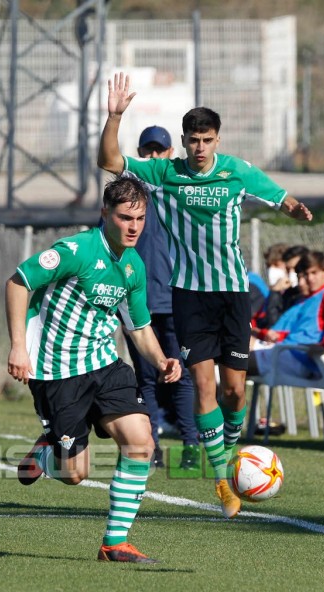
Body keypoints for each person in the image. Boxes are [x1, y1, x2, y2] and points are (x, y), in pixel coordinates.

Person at [98, 72, 313, 519]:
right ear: (183, 141)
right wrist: (115, 117)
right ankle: (223, 479)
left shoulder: (236, 171)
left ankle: (229, 451)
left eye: (207, 139)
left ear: (217, 140)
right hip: (189, 295)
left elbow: (279, 196)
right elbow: (109, 161)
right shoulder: (164, 172)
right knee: (204, 384)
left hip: (233, 295)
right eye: (193, 139)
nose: (200, 148)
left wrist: (294, 207)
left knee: (236, 391)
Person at [6, 177, 181, 564]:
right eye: (124, 217)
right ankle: (49, 453)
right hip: (57, 371)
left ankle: (113, 544)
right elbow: (18, 283)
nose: (133, 226)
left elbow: (138, 326)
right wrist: (19, 346)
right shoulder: (76, 250)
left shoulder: (133, 265)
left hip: (104, 365)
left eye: (140, 217)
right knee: (75, 474)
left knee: (141, 442)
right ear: (105, 213)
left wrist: (161, 360)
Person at [121, 125, 198, 470]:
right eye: (147, 150)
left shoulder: (178, 195)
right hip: (137, 303)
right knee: (146, 377)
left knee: (180, 373)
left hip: (176, 299)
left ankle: (191, 444)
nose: (153, 156)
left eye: (159, 150)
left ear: (169, 153)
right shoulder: (125, 202)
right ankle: (150, 446)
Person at [249, 251, 324, 378]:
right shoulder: (306, 300)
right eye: (306, 274)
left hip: (301, 358)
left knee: (234, 361)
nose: (310, 278)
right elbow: (299, 333)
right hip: (284, 350)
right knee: (235, 347)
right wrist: (267, 334)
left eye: (314, 273)